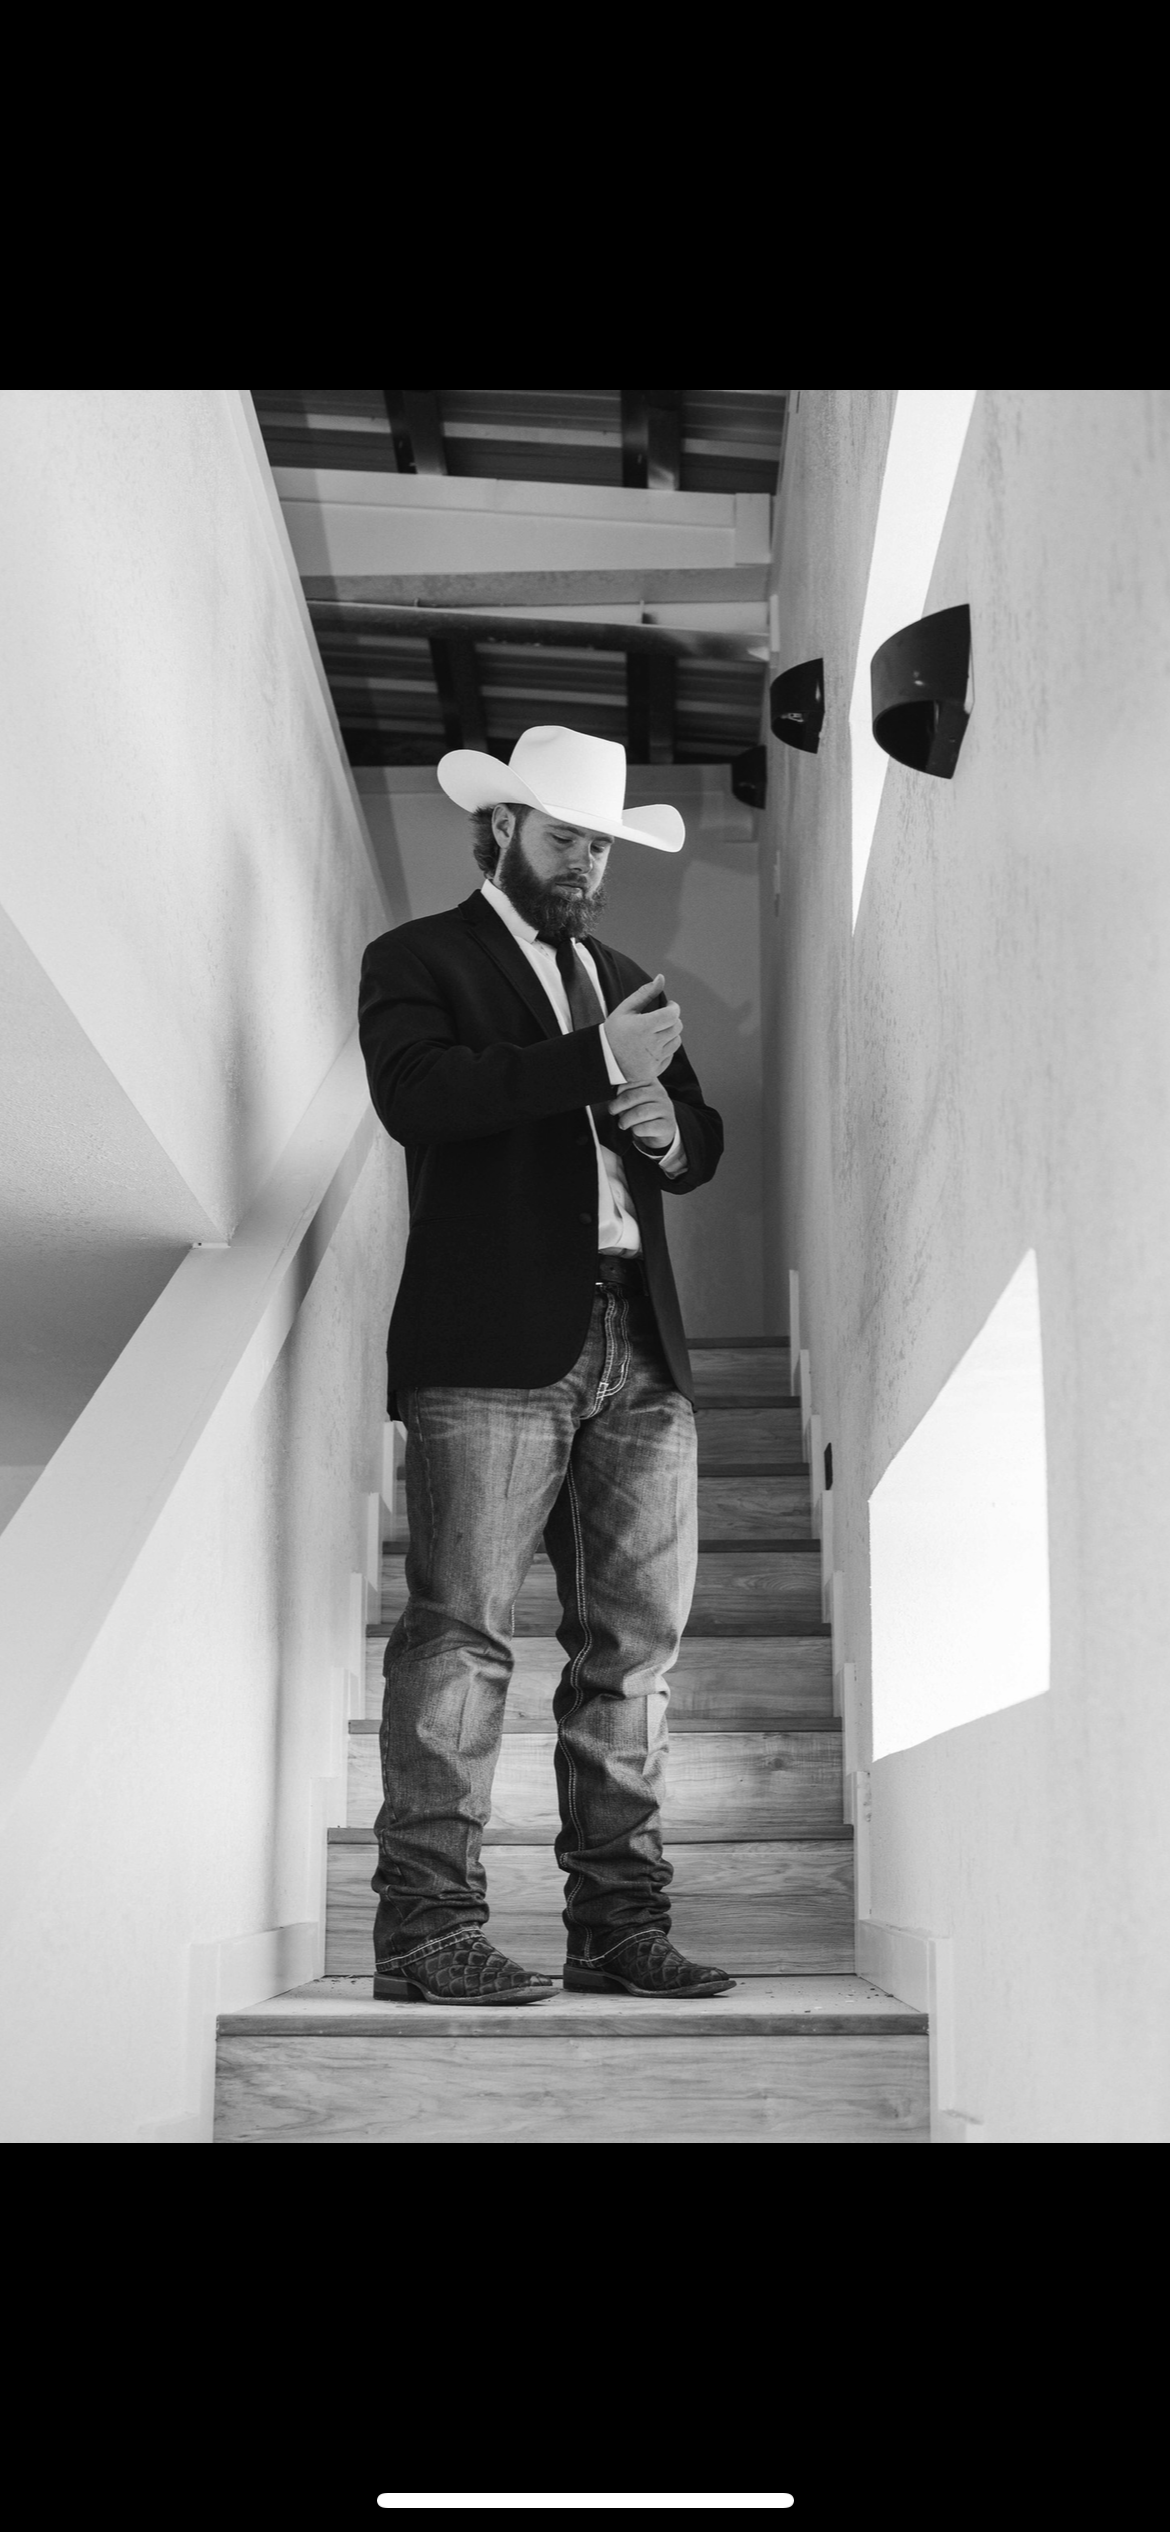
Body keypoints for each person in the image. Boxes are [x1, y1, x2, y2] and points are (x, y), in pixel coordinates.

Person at [357, 724, 734, 2004]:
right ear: (504, 828)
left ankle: (617, 1926)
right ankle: (424, 1934)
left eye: (604, 848)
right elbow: (420, 1095)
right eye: (570, 840)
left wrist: (669, 1128)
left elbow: (698, 1136)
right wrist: (593, 1063)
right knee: (461, 1639)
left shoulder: (624, 974)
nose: (590, 868)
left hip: (642, 1342)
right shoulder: (416, 960)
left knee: (633, 1649)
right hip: (489, 1345)